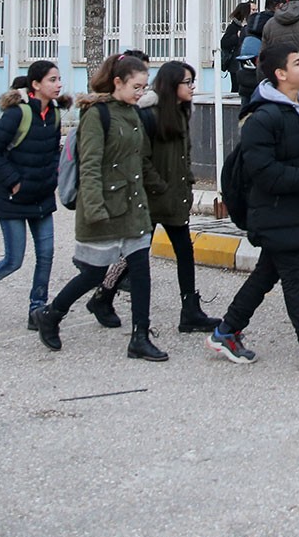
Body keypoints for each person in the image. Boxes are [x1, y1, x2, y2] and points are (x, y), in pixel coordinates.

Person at [206, 43, 299, 373]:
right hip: (273, 210)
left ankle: (226, 331)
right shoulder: (262, 117)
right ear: (280, 74)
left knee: (266, 274)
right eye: (297, 63)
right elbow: (263, 171)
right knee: (296, 280)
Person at [36, 55, 169, 360]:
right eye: (136, 86)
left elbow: (139, 159)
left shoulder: (132, 114)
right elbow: (91, 166)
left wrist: (161, 187)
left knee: (140, 270)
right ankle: (52, 314)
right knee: (94, 274)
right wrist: (94, 209)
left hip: (133, 206)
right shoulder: (97, 115)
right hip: (105, 208)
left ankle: (139, 337)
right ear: (117, 82)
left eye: (144, 86)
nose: (141, 92)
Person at [86, 60, 216, 334]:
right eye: (187, 82)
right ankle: (102, 297)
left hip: (173, 197)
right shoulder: (148, 115)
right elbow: (140, 158)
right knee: (134, 254)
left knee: (183, 251)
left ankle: (189, 310)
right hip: (152, 197)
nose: (192, 87)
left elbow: (184, 155)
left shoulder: (180, 112)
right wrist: (160, 187)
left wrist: (186, 183)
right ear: (172, 85)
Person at [0, 60, 68, 328]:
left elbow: (54, 151)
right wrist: (14, 181)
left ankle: (37, 310)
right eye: (52, 80)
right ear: (36, 84)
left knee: (46, 255)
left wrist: (51, 178)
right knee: (14, 259)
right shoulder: (17, 114)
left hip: (41, 196)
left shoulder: (53, 115)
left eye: (59, 79)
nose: (58, 84)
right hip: (13, 198)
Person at [220, 1, 254, 96]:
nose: (255, 12)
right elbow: (224, 43)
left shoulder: (253, 26)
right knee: (236, 89)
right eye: (253, 10)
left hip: (248, 63)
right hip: (235, 64)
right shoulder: (234, 27)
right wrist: (237, 36)